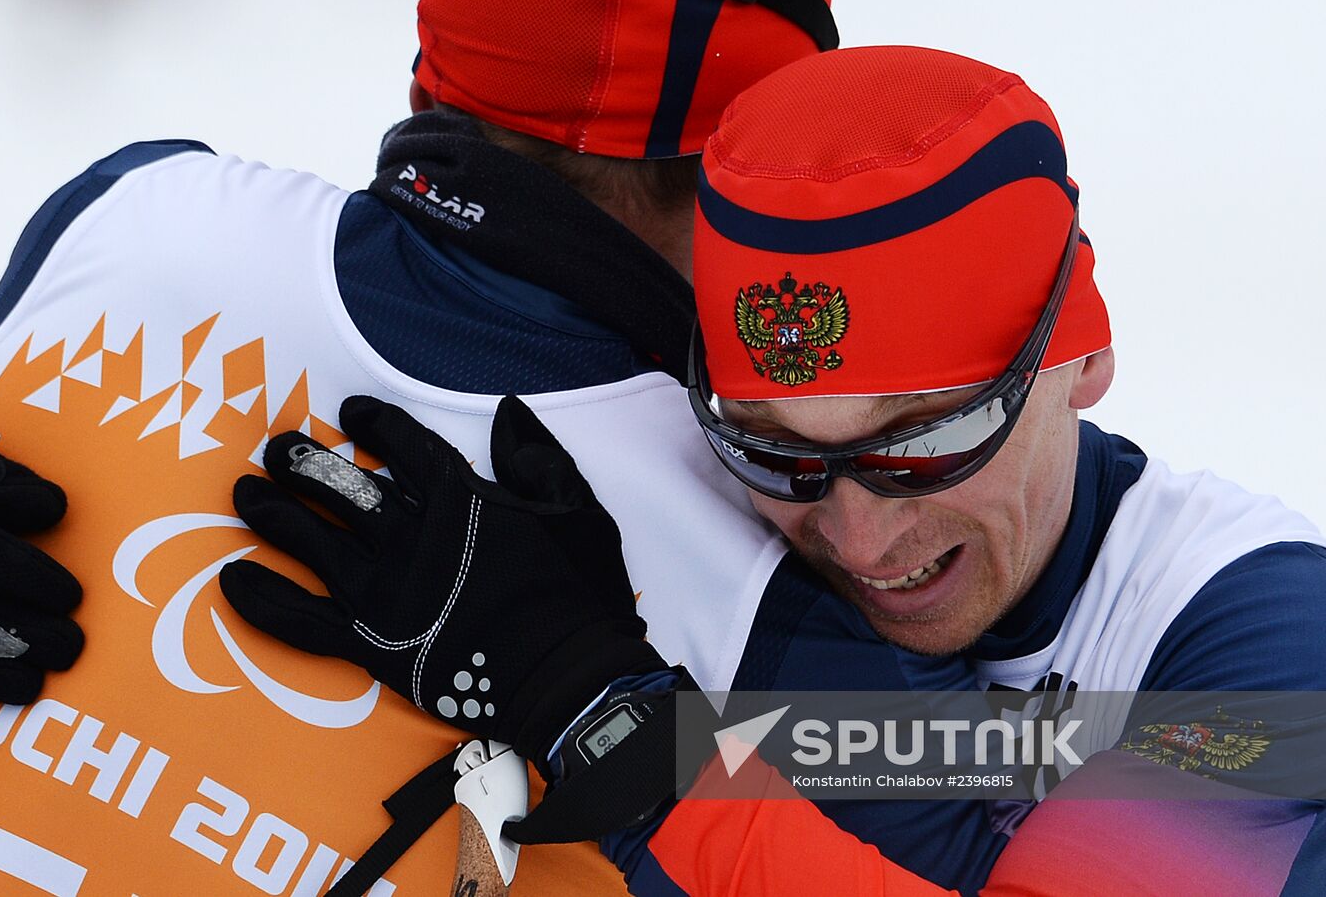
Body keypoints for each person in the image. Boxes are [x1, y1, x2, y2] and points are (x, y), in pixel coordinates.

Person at [0, 0, 996, 894]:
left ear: (431, 70)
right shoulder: (772, 560)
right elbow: (1136, 787)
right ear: (749, 171)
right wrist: (620, 719)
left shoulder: (135, 217)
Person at [221, 46, 1326, 895]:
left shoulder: (1267, 649)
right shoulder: (673, 507)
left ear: (1080, 358)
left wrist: (614, 730)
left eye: (922, 444)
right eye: (775, 449)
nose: (855, 537)